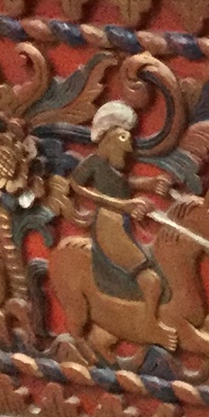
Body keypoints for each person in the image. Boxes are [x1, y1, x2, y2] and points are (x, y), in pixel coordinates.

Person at [67, 99, 165, 311]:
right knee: (148, 275)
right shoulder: (94, 162)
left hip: (123, 220)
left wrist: (149, 183)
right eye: (124, 138)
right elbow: (76, 184)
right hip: (108, 224)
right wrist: (122, 205)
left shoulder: (114, 166)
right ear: (112, 138)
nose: (130, 147)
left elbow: (122, 183)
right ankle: (147, 321)